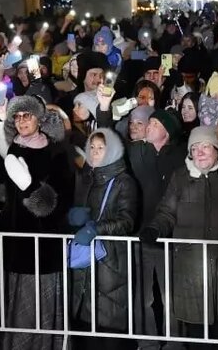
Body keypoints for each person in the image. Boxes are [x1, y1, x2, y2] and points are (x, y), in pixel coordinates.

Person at [140, 125, 218, 345]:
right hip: (192, 273)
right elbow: (166, 212)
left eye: (205, 146)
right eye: (194, 147)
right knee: (197, 339)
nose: (199, 152)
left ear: (217, 149)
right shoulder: (180, 177)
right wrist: (155, 229)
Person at [0, 95, 74, 350]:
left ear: (39, 119)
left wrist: (30, 188)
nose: (22, 121)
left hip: (44, 244)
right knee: (16, 303)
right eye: (17, 116)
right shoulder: (14, 147)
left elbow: (59, 203)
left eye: (27, 115)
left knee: (41, 304)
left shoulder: (56, 152)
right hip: (17, 242)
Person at [68, 128, 139, 347]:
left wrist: (96, 229)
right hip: (86, 263)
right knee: (84, 329)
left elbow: (127, 220)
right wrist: (72, 217)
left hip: (110, 262)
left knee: (106, 328)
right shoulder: (87, 178)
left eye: (101, 148)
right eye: (92, 147)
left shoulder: (124, 182)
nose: (95, 152)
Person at [127, 109, 184, 348]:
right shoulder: (137, 151)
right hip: (141, 234)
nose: (148, 126)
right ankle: (146, 342)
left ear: (167, 131)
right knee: (141, 296)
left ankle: (174, 343)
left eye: (155, 122)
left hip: (171, 237)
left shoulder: (181, 156)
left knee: (171, 295)